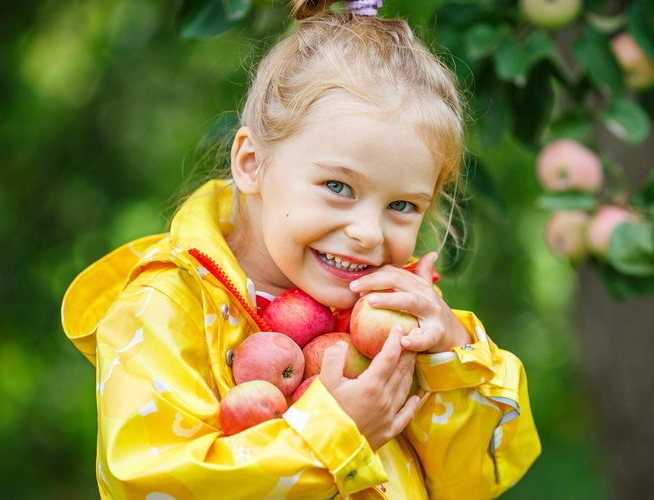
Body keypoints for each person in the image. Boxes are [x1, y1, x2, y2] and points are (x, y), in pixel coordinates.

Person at [61, 0, 541, 498]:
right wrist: (330, 437)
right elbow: (148, 482)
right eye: (338, 187)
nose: (369, 234)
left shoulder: (392, 316)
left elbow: (476, 480)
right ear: (251, 163)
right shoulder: (168, 307)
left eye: (401, 204)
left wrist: (452, 352)